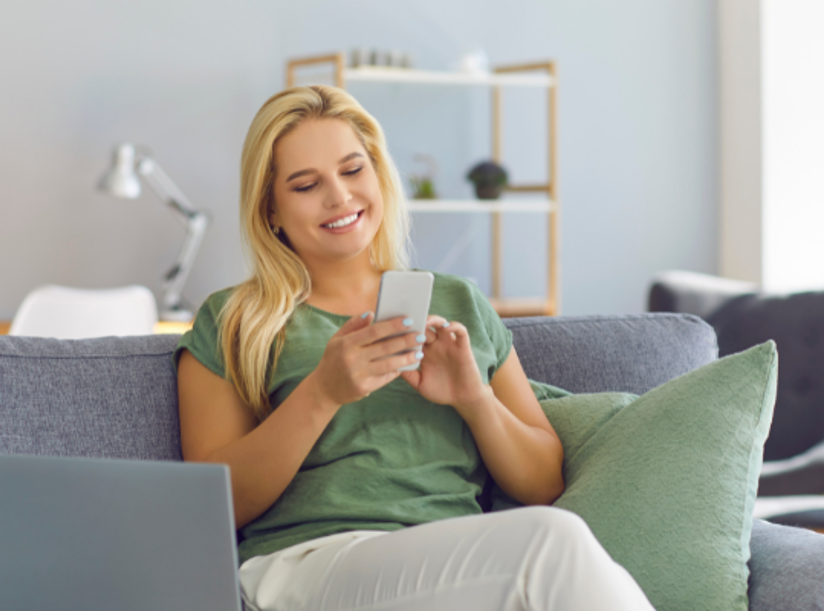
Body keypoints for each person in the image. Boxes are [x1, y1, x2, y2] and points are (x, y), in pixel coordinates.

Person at [174, 85, 654, 611]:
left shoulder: (458, 302)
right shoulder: (237, 319)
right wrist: (322, 394)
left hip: (461, 570)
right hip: (312, 564)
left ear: (379, 174)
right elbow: (211, 507)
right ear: (270, 210)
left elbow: (544, 483)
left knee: (548, 541)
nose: (339, 196)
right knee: (551, 542)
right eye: (307, 184)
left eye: (353, 170)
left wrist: (475, 400)